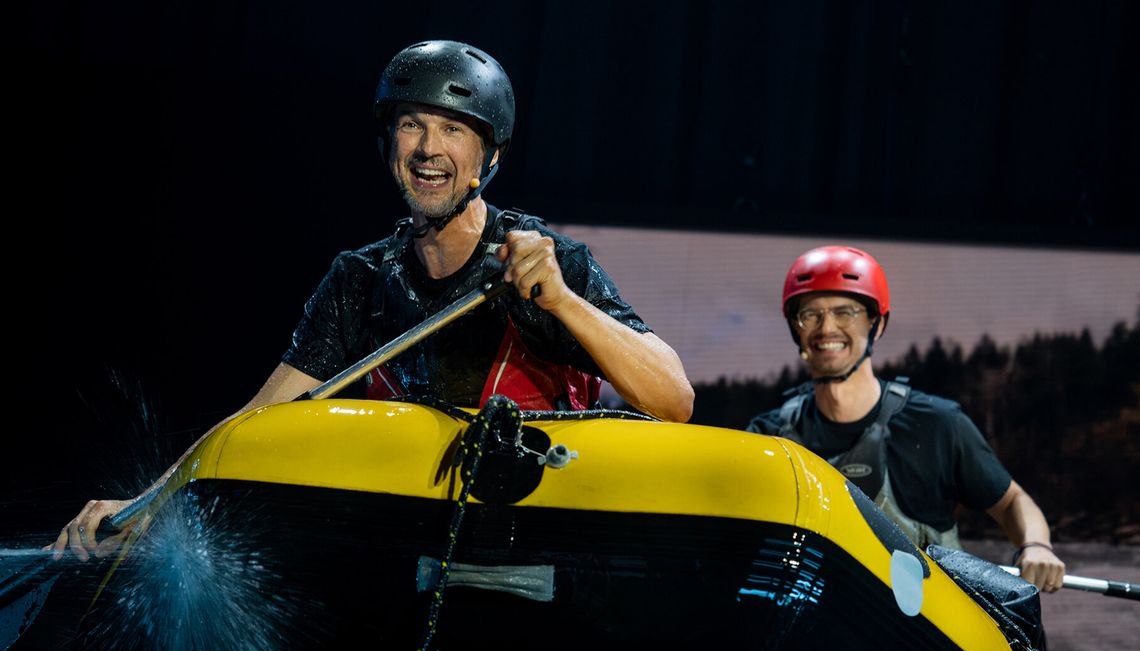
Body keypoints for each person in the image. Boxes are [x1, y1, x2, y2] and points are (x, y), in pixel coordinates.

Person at [52, 39, 693, 561]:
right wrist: (145, 507)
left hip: (531, 561)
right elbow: (259, 417)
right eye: (410, 125)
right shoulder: (359, 279)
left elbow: (674, 400)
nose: (427, 148)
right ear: (389, 149)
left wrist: (563, 304)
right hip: (397, 560)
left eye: (452, 128)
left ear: (486, 158)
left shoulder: (543, 263)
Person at [745, 245, 1065, 593]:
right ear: (796, 328)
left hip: (922, 635)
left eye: (846, 312)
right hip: (815, 630)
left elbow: (1013, 503)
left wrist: (1036, 546)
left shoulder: (938, 424)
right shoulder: (769, 438)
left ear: (877, 323)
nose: (827, 328)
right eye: (810, 314)